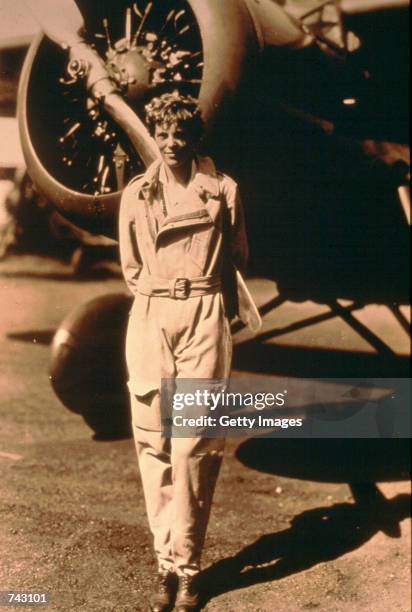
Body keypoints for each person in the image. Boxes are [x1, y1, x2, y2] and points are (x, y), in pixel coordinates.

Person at [118, 91, 258, 611]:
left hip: (204, 313)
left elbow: (236, 258)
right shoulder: (137, 194)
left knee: (194, 448)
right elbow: (131, 266)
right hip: (152, 316)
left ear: (195, 138)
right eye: (163, 134)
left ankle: (190, 569)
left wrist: (204, 301)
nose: (172, 143)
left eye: (181, 134)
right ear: (154, 136)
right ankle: (165, 567)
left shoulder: (222, 191)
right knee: (153, 443)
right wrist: (160, 296)